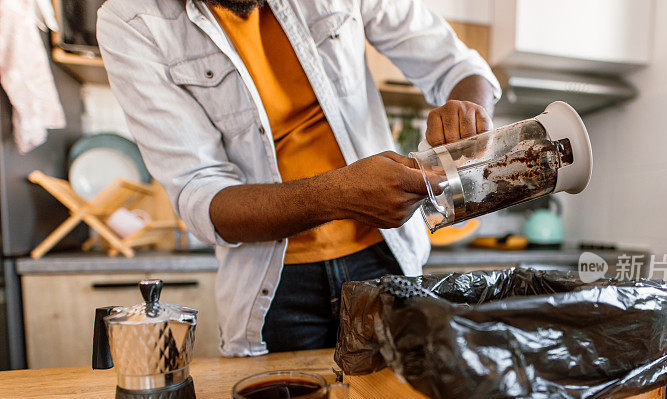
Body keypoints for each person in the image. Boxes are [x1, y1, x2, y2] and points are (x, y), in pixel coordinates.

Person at [96, 0, 500, 356]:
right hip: (273, 291)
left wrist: (468, 109)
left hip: (386, 260)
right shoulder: (131, 20)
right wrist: (337, 196)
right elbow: (202, 198)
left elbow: (457, 65)